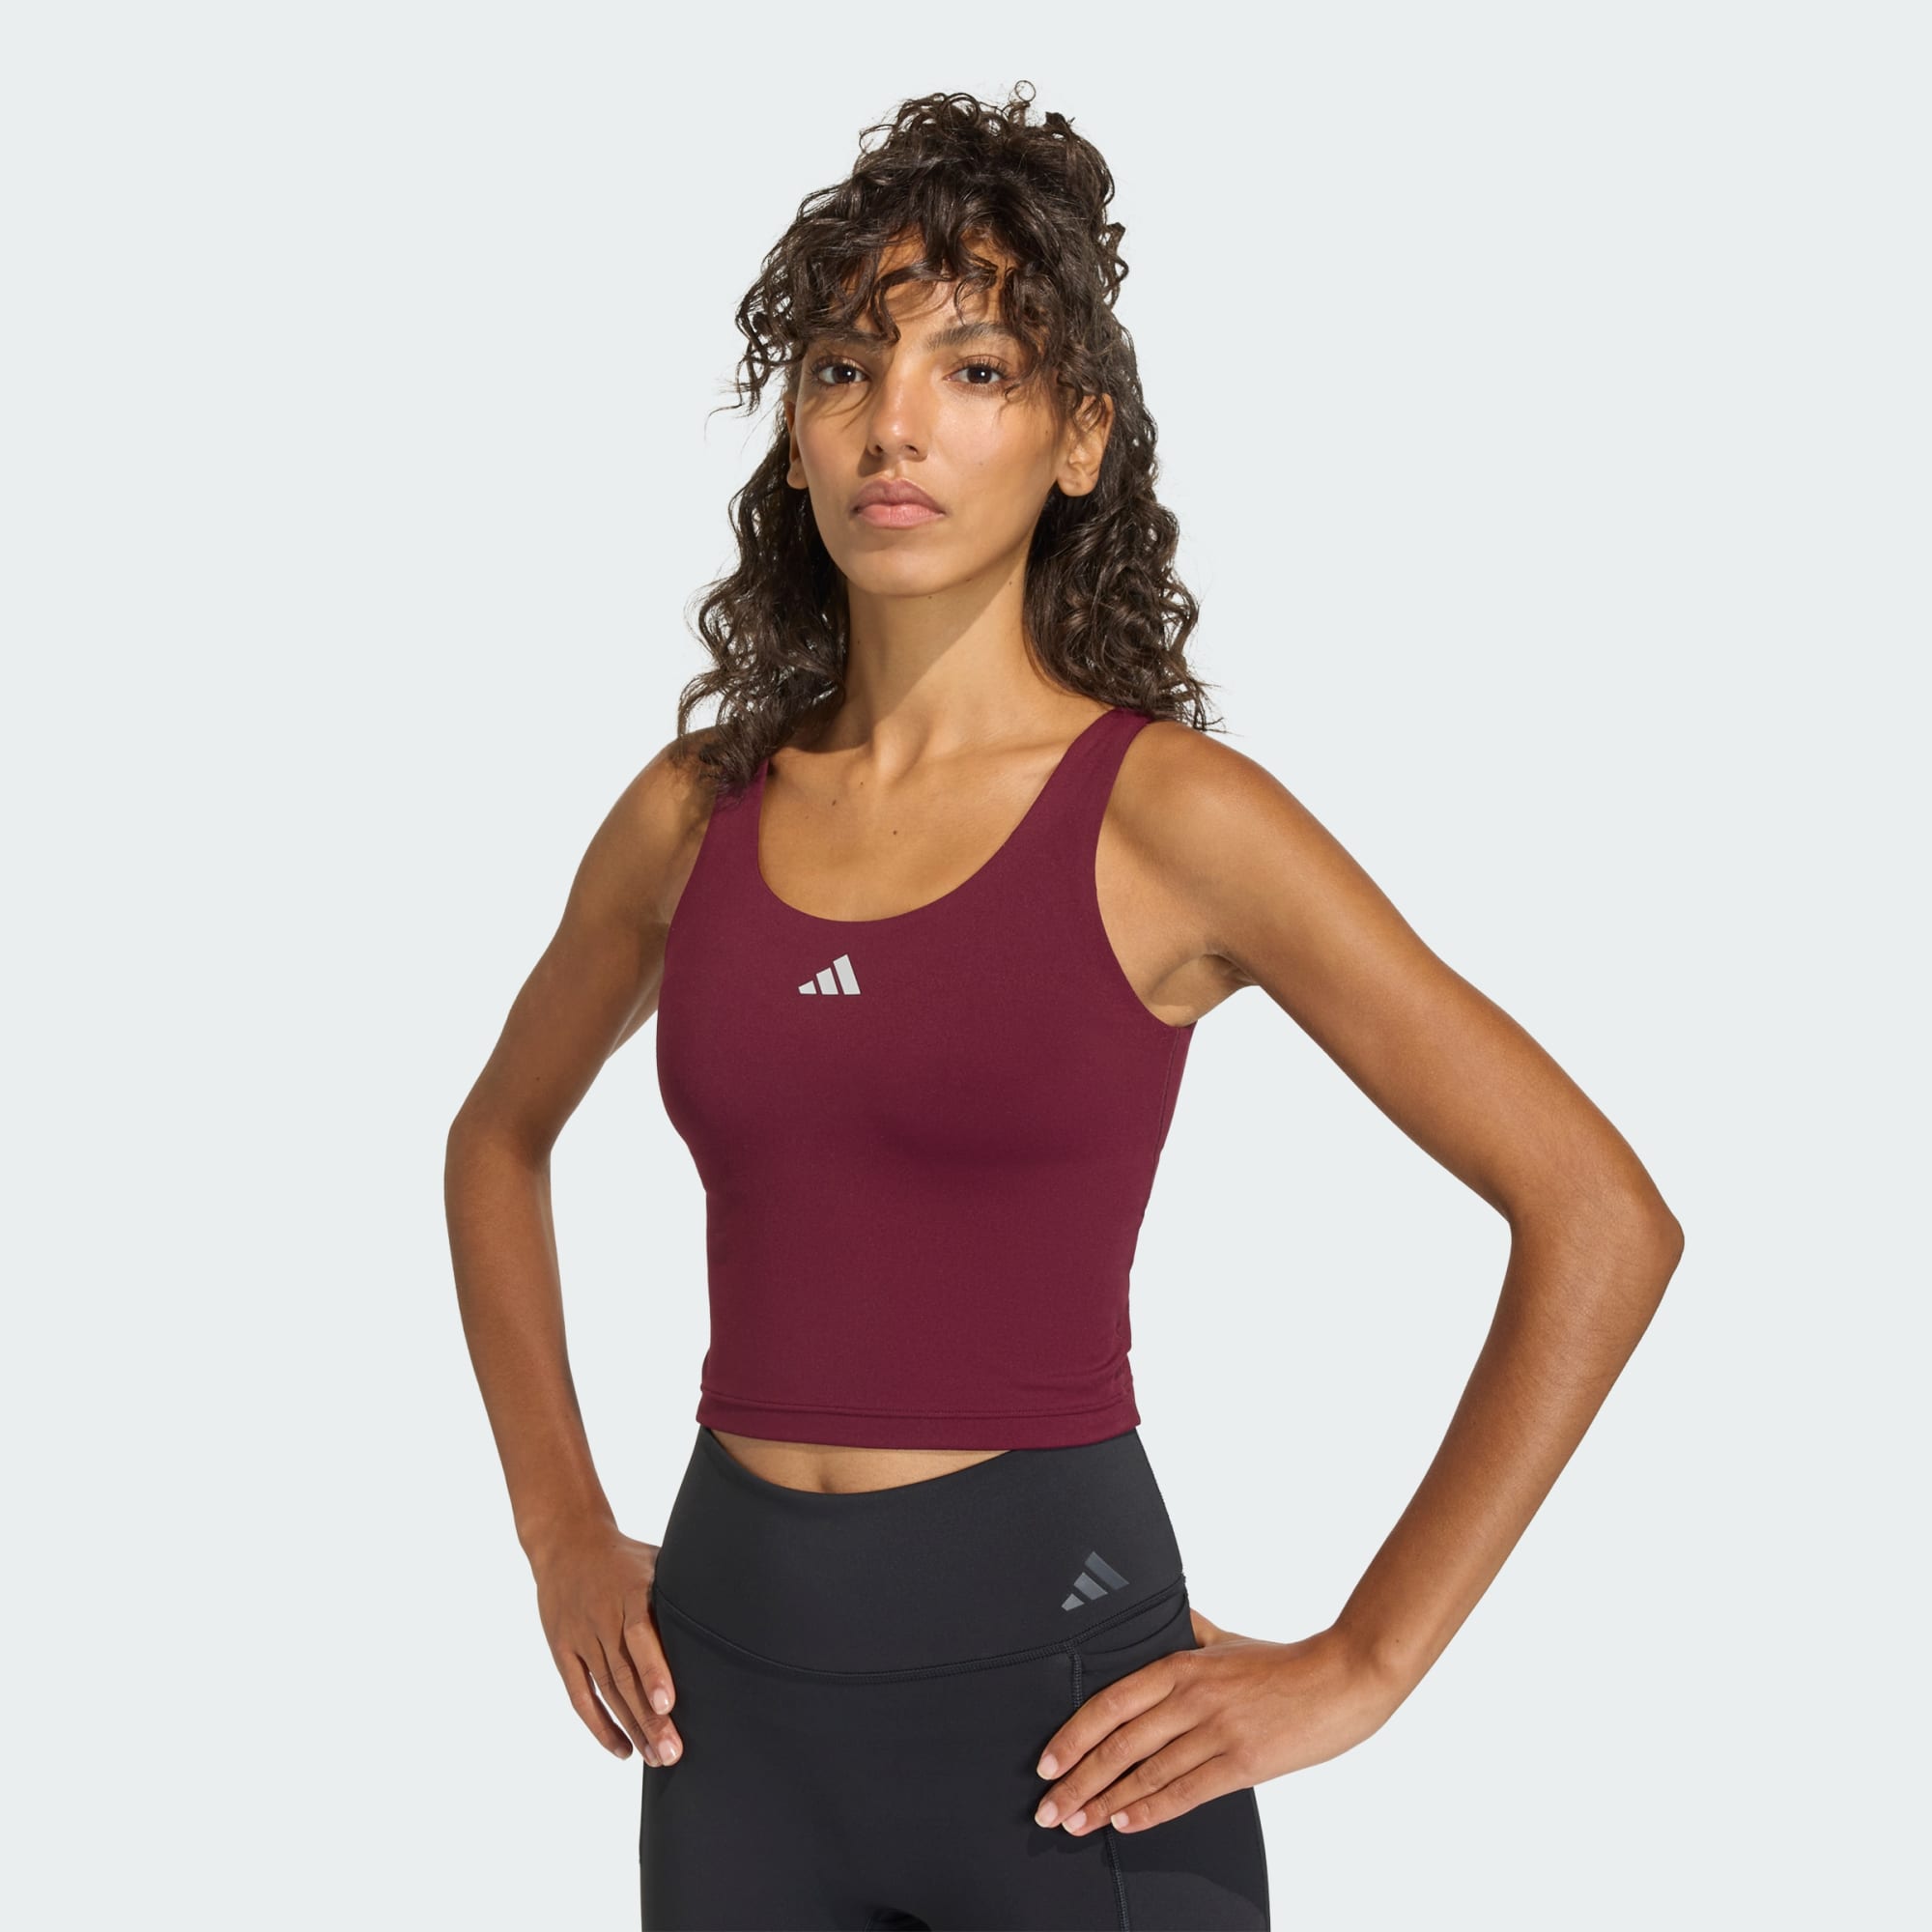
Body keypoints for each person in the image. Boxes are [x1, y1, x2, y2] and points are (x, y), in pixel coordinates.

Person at [444, 84, 1684, 1932]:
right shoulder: (692, 816)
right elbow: (496, 1135)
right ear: (796, 435)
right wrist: (557, 1524)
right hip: (729, 1722)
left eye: (975, 370)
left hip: (1069, 1734)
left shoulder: (1176, 821)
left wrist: (1367, 1663)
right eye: (846, 368)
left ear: (1079, 434)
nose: (896, 424)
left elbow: (1599, 1213)